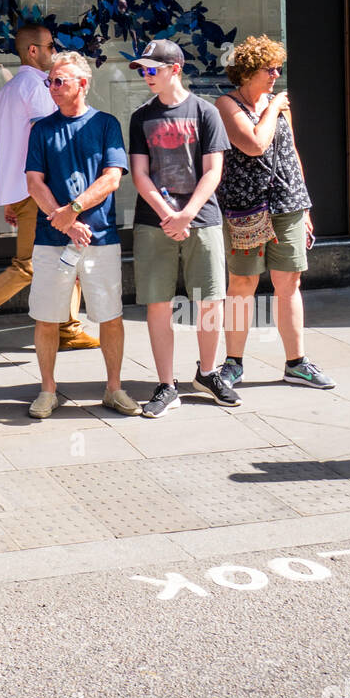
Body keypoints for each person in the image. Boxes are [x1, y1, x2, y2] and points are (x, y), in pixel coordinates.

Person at [0, 24, 98, 364]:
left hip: (23, 190)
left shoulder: (10, 89)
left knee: (70, 250)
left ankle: (67, 328)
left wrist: (9, 194)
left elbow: (3, 145)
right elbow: (50, 140)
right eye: (50, 46)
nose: (55, 51)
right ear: (33, 51)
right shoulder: (38, 87)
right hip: (42, 191)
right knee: (28, 266)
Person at [215, 35, 335, 391]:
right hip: (245, 205)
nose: (276, 74)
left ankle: (297, 362)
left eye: (278, 68)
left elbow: (291, 152)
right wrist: (272, 108)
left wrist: (306, 203)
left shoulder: (279, 105)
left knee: (290, 282)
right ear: (249, 71)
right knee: (242, 283)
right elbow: (253, 144)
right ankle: (233, 363)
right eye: (270, 69)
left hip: (287, 201)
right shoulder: (226, 105)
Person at [127, 39, 240, 417]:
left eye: (152, 69)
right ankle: (166, 384)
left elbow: (213, 171)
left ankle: (207, 373)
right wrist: (167, 214)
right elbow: (140, 174)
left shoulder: (205, 112)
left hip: (202, 219)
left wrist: (186, 214)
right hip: (153, 221)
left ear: (174, 68)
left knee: (210, 301)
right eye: (143, 70)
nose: (146, 76)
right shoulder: (141, 116)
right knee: (158, 304)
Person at [24, 50, 139, 419]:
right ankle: (47, 391)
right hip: (52, 239)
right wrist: (66, 221)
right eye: (50, 81)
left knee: (110, 316)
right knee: (46, 316)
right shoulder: (41, 128)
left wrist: (72, 210)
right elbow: (34, 182)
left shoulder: (105, 124)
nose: (53, 88)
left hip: (100, 237)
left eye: (60, 81)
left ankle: (114, 388)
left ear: (82, 84)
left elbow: (112, 177)